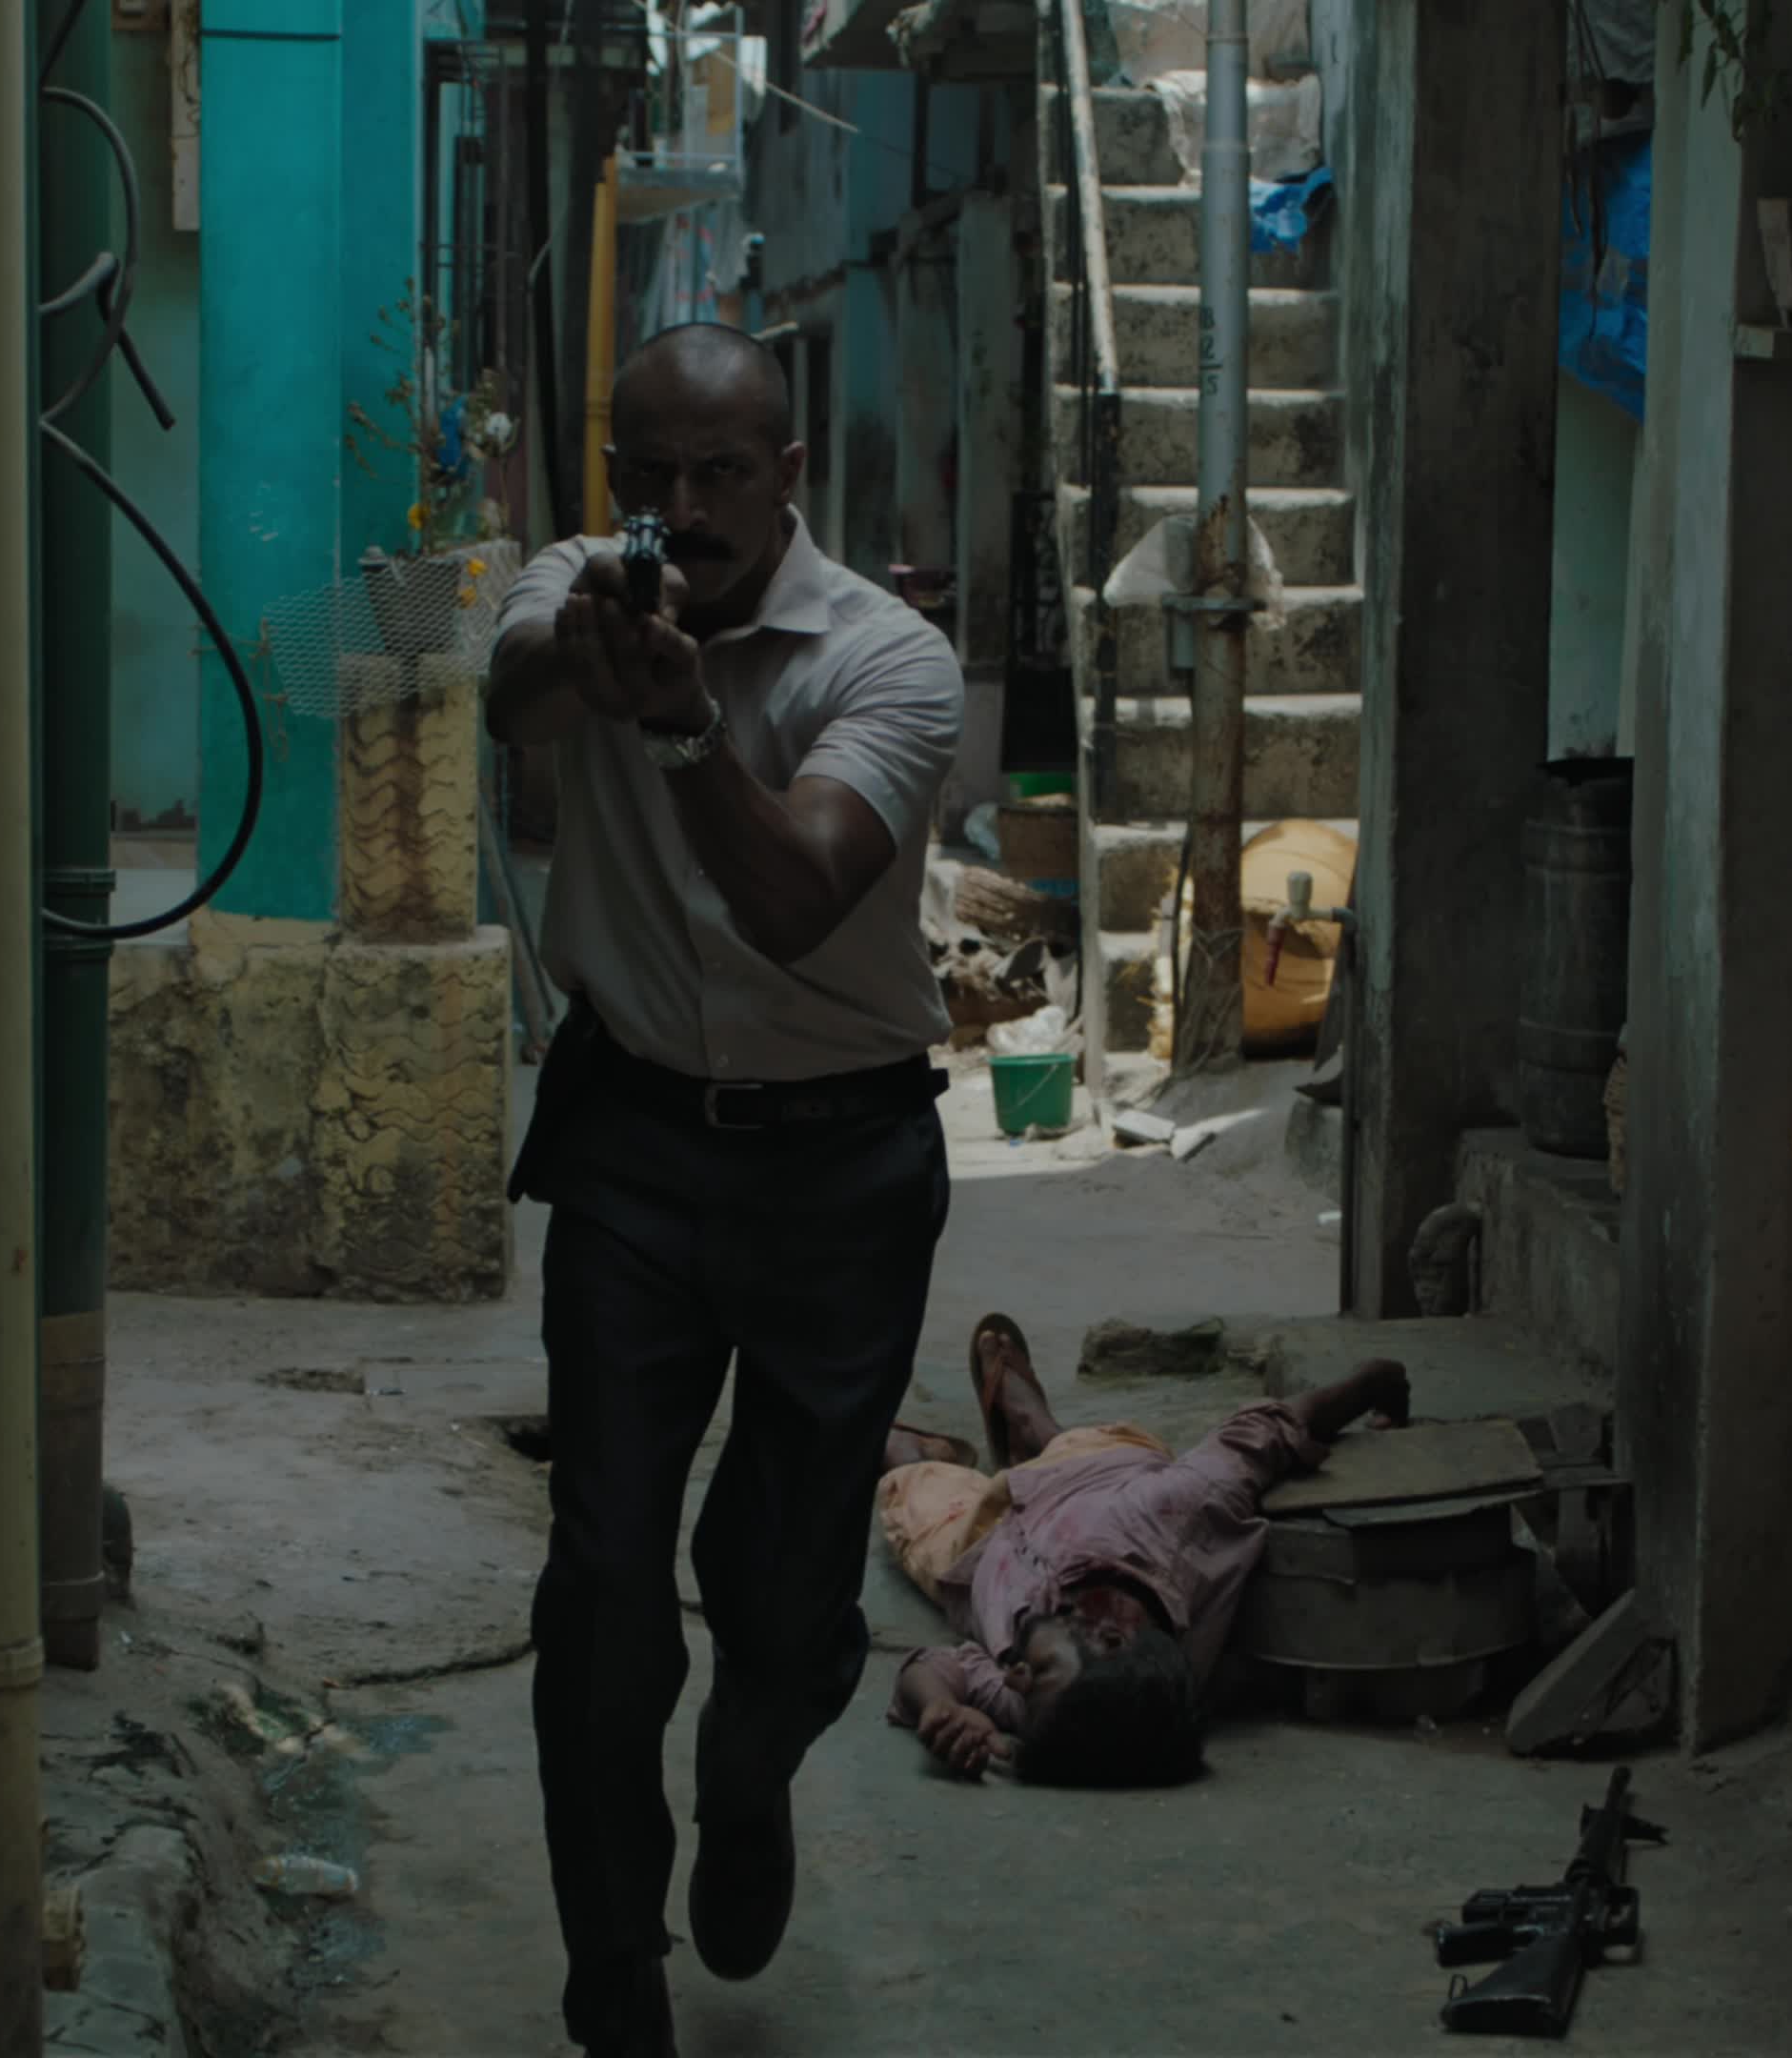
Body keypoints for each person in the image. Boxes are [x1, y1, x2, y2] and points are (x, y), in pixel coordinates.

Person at [486, 322, 965, 2058]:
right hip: (632, 1138)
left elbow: (796, 898)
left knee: (782, 1587)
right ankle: (613, 1964)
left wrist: (687, 725)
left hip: (845, 1161)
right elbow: (514, 691)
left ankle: (750, 1770)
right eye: (650, 476)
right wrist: (588, 654)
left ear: (787, 474)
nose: (682, 510)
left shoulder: (889, 657)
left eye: (719, 475)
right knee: (604, 1574)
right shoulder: (582, 585)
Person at [878, 1316, 1415, 1786]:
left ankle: (915, 1451)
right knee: (1067, 1444)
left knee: (908, 1494)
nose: (1012, 1678)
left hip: (980, 1554)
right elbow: (1265, 1432)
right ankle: (1030, 1424)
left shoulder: (1051, 1702)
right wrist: (1370, 1386)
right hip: (1093, 1474)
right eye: (1036, 1670)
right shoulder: (1179, 1515)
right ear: (1110, 1636)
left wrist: (940, 1709)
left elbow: (932, 1667)